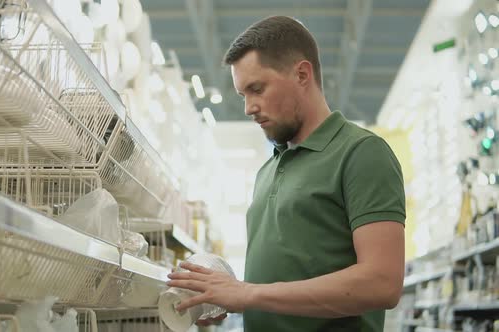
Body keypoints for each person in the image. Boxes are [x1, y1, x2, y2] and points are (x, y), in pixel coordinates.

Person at [167, 16, 405, 332]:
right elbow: (284, 281)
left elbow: (382, 283)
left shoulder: (361, 153)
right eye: (243, 95)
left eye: (257, 88)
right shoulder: (268, 170)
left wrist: (249, 294)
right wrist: (225, 296)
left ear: (302, 74)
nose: (248, 107)